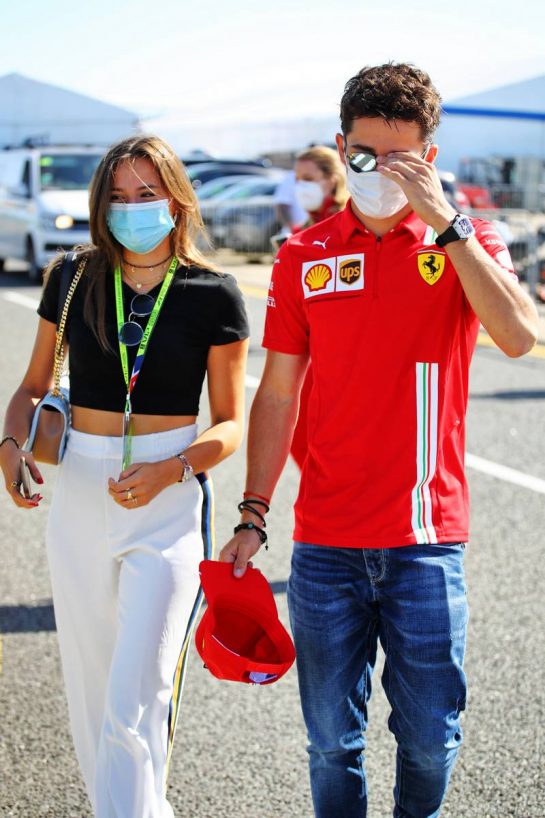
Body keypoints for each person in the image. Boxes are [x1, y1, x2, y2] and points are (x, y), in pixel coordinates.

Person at [220, 63, 539, 818]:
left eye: (399, 159)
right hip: (325, 544)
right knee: (331, 741)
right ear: (341, 146)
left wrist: (448, 224)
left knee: (430, 739)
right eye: (362, 156)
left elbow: (519, 336)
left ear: (428, 158)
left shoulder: (464, 242)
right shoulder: (304, 255)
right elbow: (276, 392)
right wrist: (254, 511)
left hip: (426, 542)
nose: (378, 173)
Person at [0, 134, 249, 818]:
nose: (132, 208)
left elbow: (229, 423)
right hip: (79, 488)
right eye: (117, 195)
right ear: (99, 203)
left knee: (137, 692)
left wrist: (174, 467)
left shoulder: (213, 293)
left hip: (168, 500)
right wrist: (9, 445)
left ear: (176, 200)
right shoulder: (73, 275)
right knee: (90, 687)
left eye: (147, 194)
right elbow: (28, 389)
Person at [290, 145, 348, 468]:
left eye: (309, 178)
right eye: (297, 178)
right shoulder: (302, 230)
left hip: (335, 353)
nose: (301, 186)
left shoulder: (347, 222)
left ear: (331, 180)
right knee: (297, 438)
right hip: (304, 349)